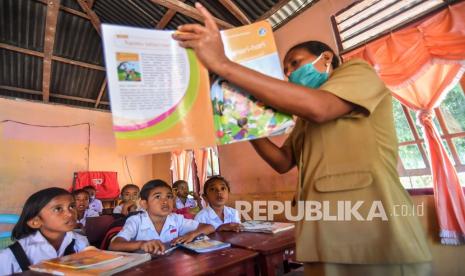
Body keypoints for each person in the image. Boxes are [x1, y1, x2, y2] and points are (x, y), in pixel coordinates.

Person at [173, 3, 432, 275]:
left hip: (374, 228)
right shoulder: (305, 119)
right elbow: (283, 161)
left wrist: (225, 66)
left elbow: (320, 108)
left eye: (295, 63)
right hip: (322, 233)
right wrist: (245, 123)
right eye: (286, 70)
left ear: (327, 58)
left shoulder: (357, 72)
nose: (290, 74)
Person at [108, 179, 215, 255]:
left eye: (169, 197)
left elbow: (210, 227)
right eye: (157, 197)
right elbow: (114, 245)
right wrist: (141, 244)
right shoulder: (136, 221)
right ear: (144, 204)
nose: (165, 201)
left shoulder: (176, 219)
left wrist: (192, 234)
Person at [0, 188, 89, 274]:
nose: (70, 213)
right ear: (35, 222)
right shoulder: (11, 256)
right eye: (58, 209)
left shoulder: (80, 242)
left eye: (72, 206)